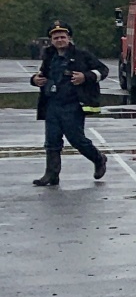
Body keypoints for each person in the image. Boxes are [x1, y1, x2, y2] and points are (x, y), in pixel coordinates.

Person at [31, 22, 109, 187]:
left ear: (69, 38)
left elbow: (103, 70)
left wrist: (85, 77)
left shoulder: (82, 55)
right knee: (52, 140)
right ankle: (51, 175)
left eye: (62, 37)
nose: (59, 40)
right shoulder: (49, 56)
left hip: (73, 104)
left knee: (76, 139)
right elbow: (41, 74)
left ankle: (98, 159)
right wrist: (34, 80)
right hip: (52, 104)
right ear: (51, 40)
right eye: (56, 37)